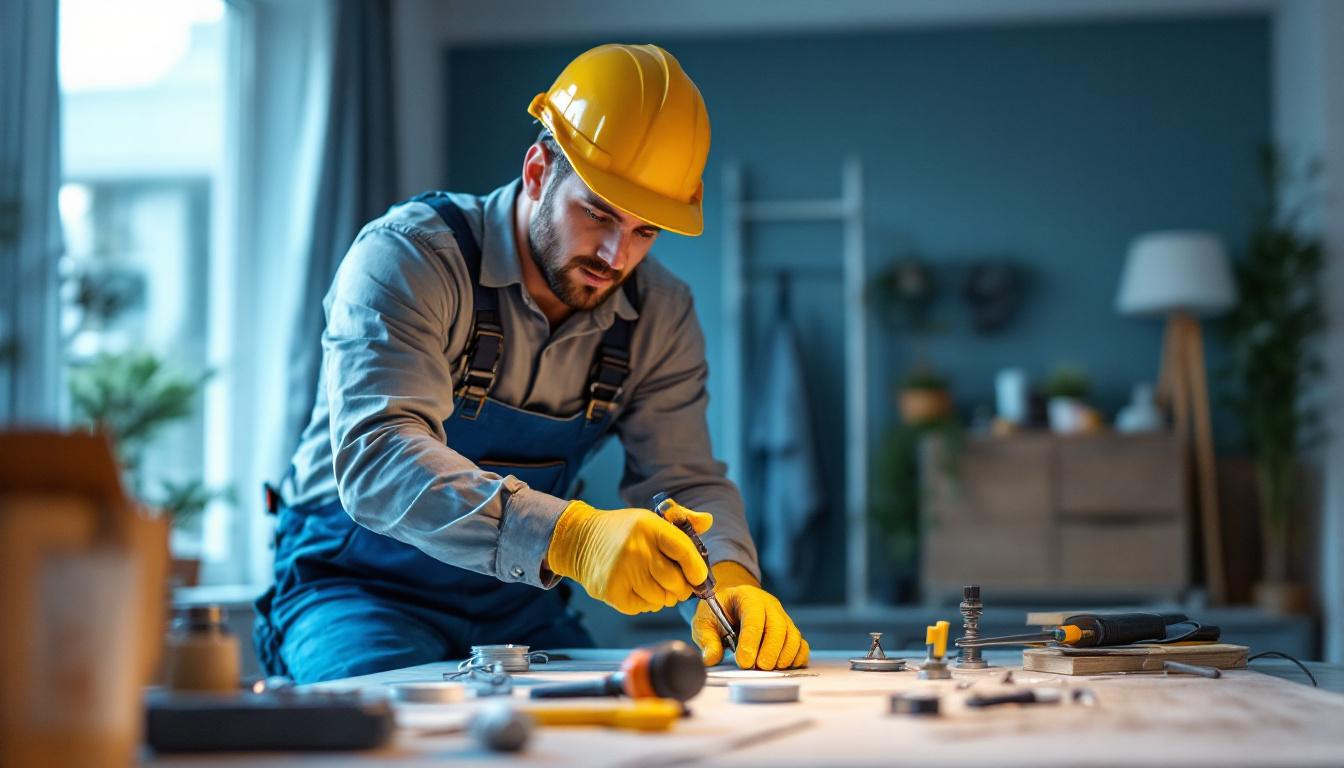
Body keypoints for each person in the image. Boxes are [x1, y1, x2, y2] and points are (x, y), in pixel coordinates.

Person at [254, 43, 809, 683]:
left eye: (645, 231)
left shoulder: (660, 313)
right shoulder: (408, 258)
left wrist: (731, 579)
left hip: (514, 606)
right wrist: (571, 538)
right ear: (539, 171)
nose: (616, 256)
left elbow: (683, 481)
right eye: (598, 212)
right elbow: (378, 456)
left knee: (611, 720)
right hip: (354, 590)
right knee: (390, 726)